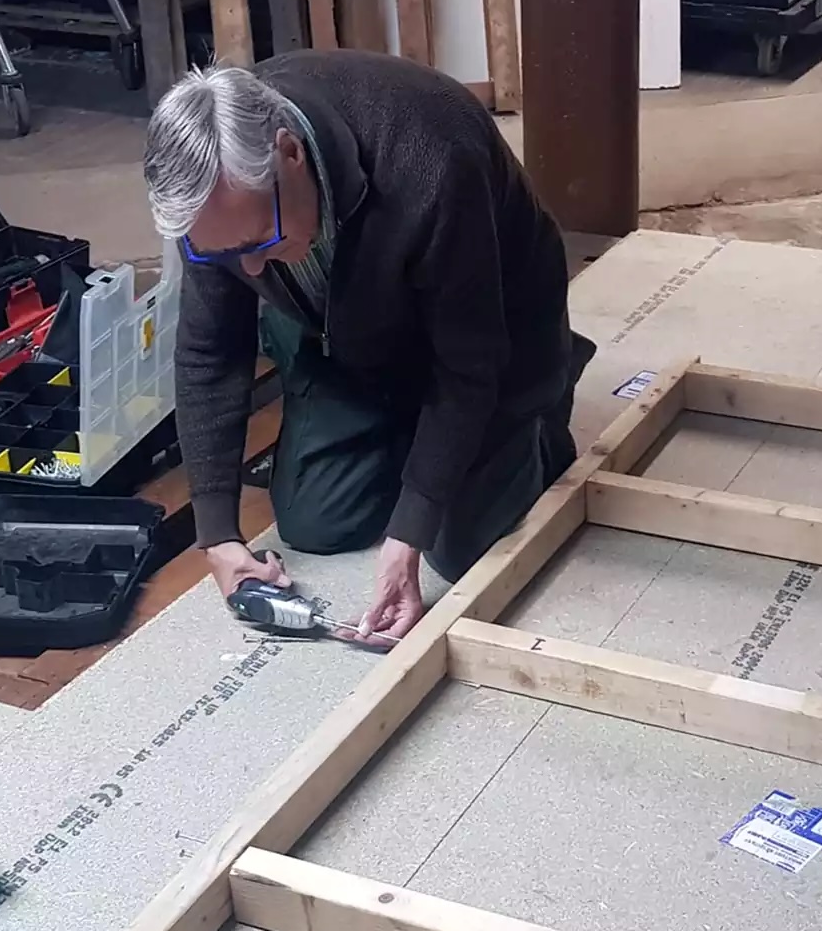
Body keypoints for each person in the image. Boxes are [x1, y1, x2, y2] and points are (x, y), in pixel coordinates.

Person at [144, 52, 592, 642]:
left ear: (290, 153)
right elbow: (210, 353)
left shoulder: (431, 155)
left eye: (261, 239)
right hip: (355, 332)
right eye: (223, 254)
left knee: (460, 550)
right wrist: (219, 536)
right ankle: (410, 424)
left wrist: (409, 535)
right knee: (313, 523)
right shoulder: (217, 206)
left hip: (494, 332)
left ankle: (542, 402)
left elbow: (467, 366)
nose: (248, 267)